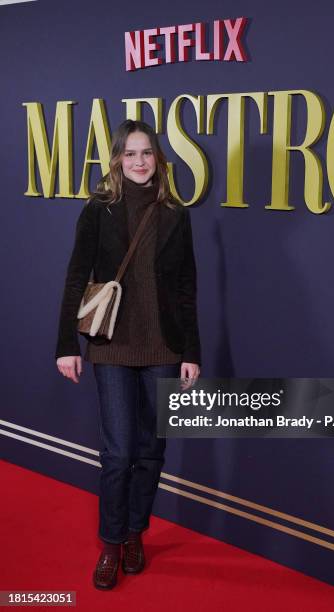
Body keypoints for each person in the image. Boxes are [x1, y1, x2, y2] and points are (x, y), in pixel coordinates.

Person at [55, 119, 201, 590]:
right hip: (110, 348)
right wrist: (66, 346)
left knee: (151, 452)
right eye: (131, 153)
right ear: (117, 159)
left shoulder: (176, 214)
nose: (140, 161)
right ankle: (111, 543)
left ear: (158, 159)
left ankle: (137, 532)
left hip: (163, 347)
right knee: (118, 454)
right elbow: (76, 278)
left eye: (147, 153)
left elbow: (185, 290)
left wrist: (190, 352)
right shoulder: (99, 210)